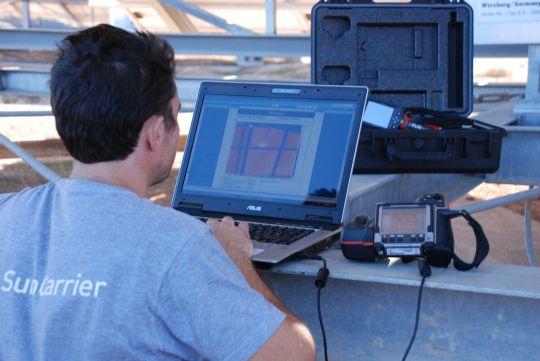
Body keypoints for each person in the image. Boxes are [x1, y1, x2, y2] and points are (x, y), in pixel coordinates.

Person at [0, 24, 315, 361]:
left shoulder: (6, 215)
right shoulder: (176, 244)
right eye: (175, 116)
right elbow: (293, 353)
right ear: (153, 133)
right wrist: (239, 263)